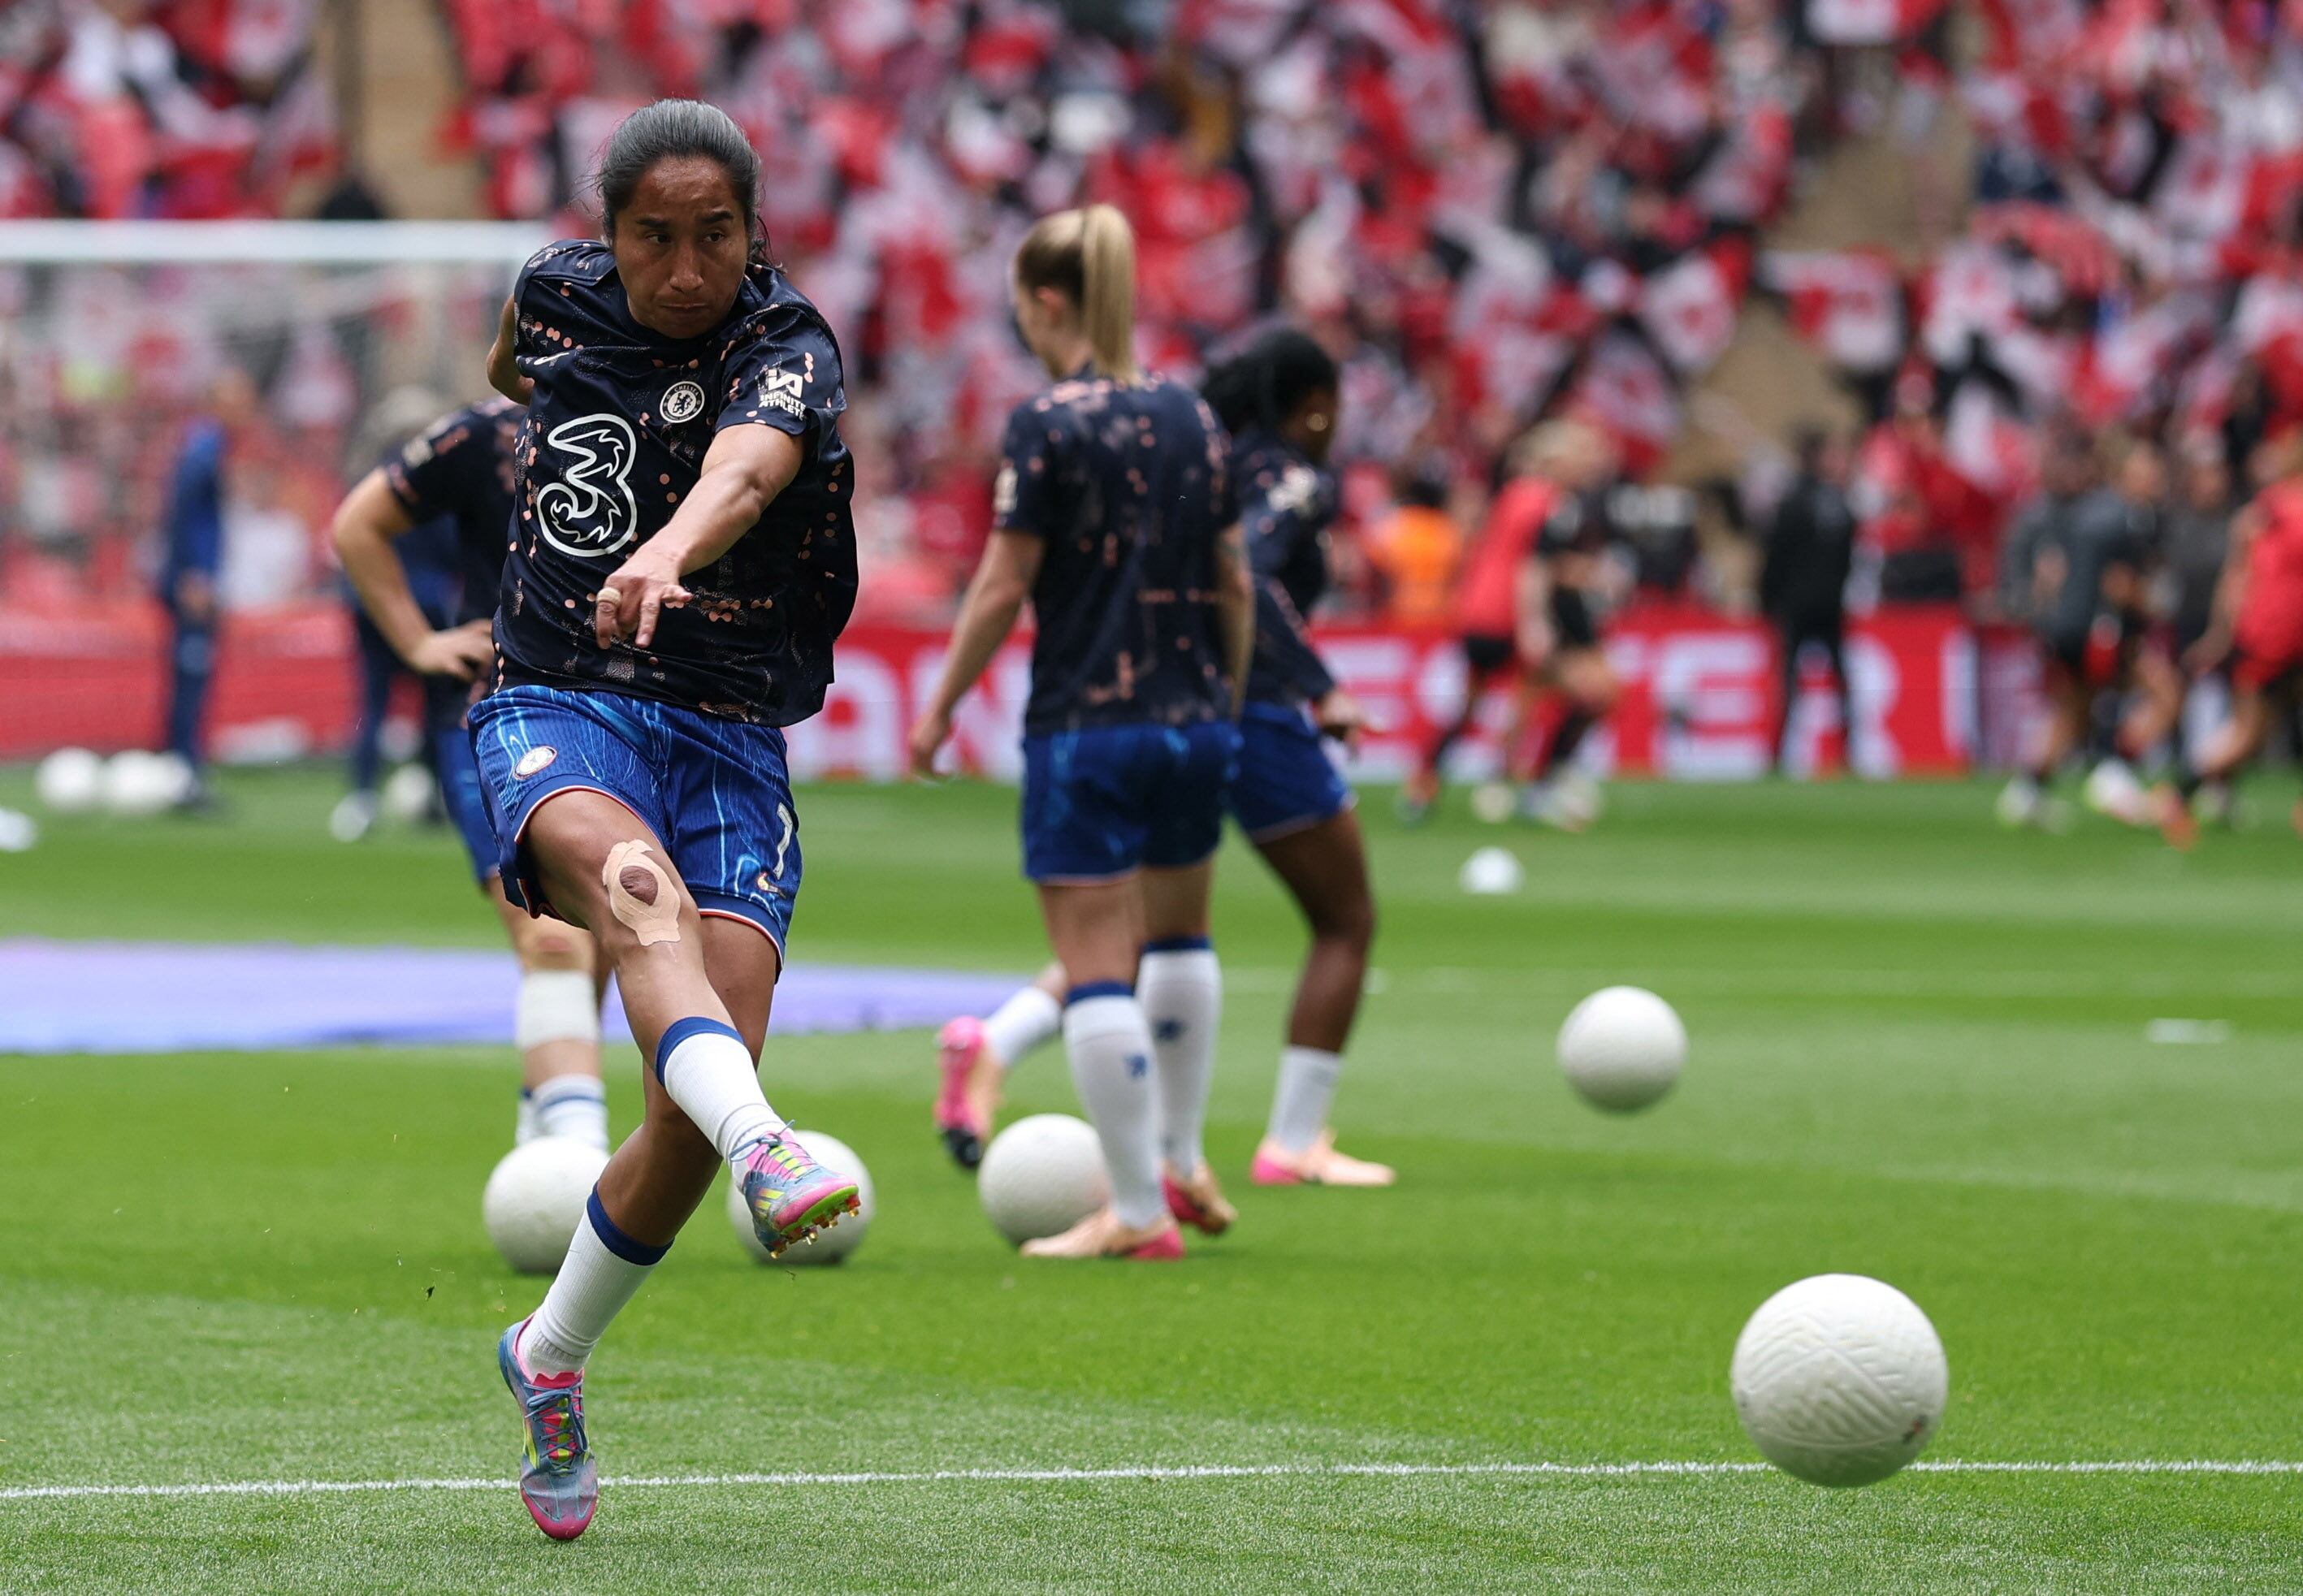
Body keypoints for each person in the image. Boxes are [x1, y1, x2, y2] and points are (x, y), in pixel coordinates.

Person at [470, 99, 862, 1542]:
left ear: (753, 233)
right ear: (610, 233)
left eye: (717, 238)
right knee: (631, 893)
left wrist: (669, 545)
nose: (687, 269)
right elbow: (521, 368)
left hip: (730, 728)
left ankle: (549, 1358)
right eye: (656, 239)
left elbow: (748, 466)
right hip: (558, 694)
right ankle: (772, 1144)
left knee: (687, 1105)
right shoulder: (552, 294)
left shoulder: (791, 349)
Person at [932, 330, 1391, 1188]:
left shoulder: (1201, 453)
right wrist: (1320, 686)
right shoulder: (1286, 475)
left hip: (1163, 701)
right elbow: (1247, 572)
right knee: (1344, 918)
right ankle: (1291, 1140)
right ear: (1313, 404)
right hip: (1243, 708)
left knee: (1127, 930)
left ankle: (997, 1041)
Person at [908, 203, 1256, 1261]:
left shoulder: (1045, 424)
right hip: (1194, 718)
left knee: (1097, 965)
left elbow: (1002, 584)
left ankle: (1139, 1214)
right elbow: (1234, 578)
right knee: (1182, 938)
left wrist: (938, 706)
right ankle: (1183, 1156)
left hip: (1087, 722)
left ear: (1046, 301)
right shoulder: (1194, 417)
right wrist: (1224, 698)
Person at [331, 390, 612, 1157]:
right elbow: (358, 525)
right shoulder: (482, 434)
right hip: (497, 713)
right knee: (550, 935)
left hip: (625, 719)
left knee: (609, 930)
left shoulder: (672, 417)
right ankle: (577, 1150)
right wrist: (418, 642)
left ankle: (545, 1102)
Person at [2154, 430, 2303, 847]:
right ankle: (2179, 794)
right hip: (2279, 636)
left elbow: (2236, 573)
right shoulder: (2284, 510)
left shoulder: (2265, 510)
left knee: (2251, 732)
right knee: (2247, 735)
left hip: (2268, 632)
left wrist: (2222, 632)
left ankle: (2189, 794)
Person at [1510, 420, 1623, 830]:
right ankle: (1535, 782)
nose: (1592, 463)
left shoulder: (1574, 503)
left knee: (1597, 695)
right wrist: (1534, 622)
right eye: (1584, 455)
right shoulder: (1555, 506)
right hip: (1559, 621)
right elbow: (1537, 567)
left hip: (1575, 618)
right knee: (1591, 693)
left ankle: (1542, 780)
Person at [155, 368, 256, 808]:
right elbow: (181, 514)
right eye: (236, 401)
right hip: (191, 582)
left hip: (195, 577)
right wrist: (192, 574)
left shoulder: (207, 446)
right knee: (191, 678)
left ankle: (182, 772)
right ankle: (183, 776)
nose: (244, 411)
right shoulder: (204, 447)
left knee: (191, 677)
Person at [1762, 428, 1859, 776]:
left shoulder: (1791, 502)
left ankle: (1776, 757)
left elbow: (1774, 557)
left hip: (1796, 606)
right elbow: (1848, 557)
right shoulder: (1841, 503)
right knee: (1839, 680)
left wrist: (1769, 602)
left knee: (1789, 682)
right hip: (1829, 605)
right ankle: (1848, 755)